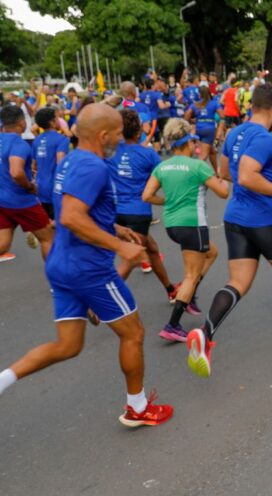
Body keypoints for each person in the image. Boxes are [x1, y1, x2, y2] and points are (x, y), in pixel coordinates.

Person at [0, 104, 174, 427]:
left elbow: (77, 209)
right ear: (104, 135)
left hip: (61, 265)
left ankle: (4, 378)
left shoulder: (72, 161)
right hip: (89, 269)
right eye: (119, 135)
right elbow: (71, 216)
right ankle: (137, 408)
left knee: (68, 345)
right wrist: (120, 245)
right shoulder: (93, 167)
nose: (120, 140)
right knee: (133, 333)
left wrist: (115, 227)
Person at [184, 84, 272, 379]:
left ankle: (206, 333)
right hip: (265, 218)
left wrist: (271, 174)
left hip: (236, 217)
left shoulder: (236, 132)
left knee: (237, 282)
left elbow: (226, 172)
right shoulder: (263, 137)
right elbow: (248, 176)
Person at [142, 118, 230, 342]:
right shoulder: (198, 166)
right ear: (187, 143)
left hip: (172, 225)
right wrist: (223, 177)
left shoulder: (162, 166)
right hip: (193, 224)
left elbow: (146, 196)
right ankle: (173, 324)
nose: (195, 145)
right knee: (191, 275)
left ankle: (188, 294)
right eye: (193, 141)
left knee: (212, 252)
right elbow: (223, 193)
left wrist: (168, 202)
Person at [108, 110, 177, 300]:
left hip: (115, 213)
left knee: (152, 250)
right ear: (139, 132)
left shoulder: (110, 151)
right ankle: (103, 301)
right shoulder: (148, 154)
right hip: (138, 214)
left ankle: (170, 290)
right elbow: (164, 179)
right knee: (130, 259)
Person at [0, 106, 54, 262]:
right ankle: (58, 284)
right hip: (21, 201)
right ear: (22, 122)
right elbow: (16, 172)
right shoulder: (19, 144)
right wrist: (30, 186)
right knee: (49, 238)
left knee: (3, 244)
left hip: (2, 200)